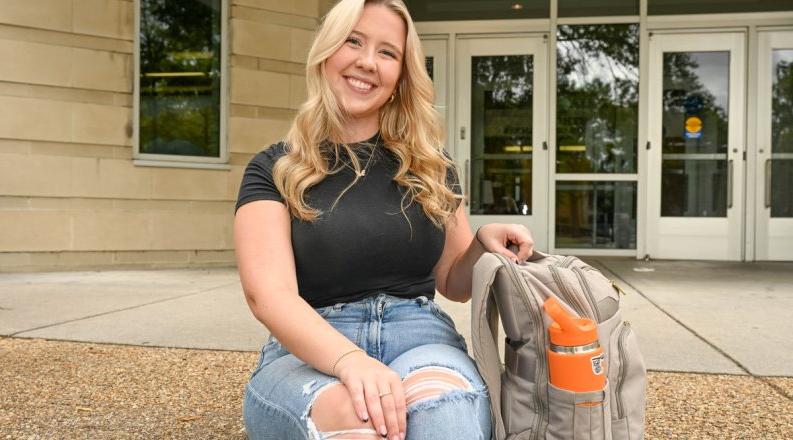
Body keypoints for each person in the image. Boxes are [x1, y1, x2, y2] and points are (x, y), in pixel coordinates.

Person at [233, 1, 534, 439]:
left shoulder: (431, 165)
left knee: (444, 415)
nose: (367, 62)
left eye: (387, 52)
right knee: (359, 423)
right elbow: (268, 295)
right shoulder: (274, 167)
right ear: (326, 54)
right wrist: (350, 361)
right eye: (353, 41)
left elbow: (453, 281)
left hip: (420, 336)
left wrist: (481, 242)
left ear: (399, 78)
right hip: (309, 349)